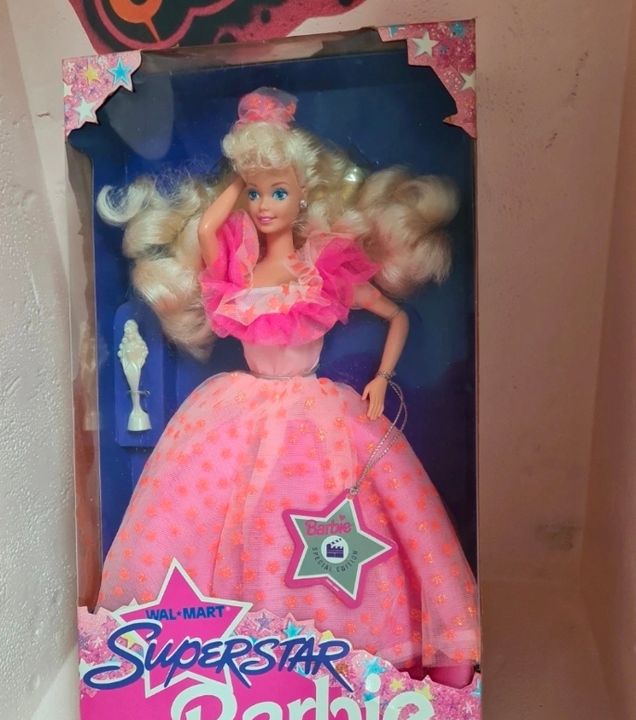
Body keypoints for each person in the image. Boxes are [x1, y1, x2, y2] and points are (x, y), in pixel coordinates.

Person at [96, 88, 480, 686]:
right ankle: (225, 650)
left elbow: (396, 316)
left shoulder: (323, 271)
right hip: (240, 406)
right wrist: (246, 170)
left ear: (305, 195)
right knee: (213, 513)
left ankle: (343, 651)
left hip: (315, 413)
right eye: (255, 194)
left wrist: (381, 379)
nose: (264, 205)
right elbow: (210, 228)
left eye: (278, 192)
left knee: (328, 517)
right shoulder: (236, 271)